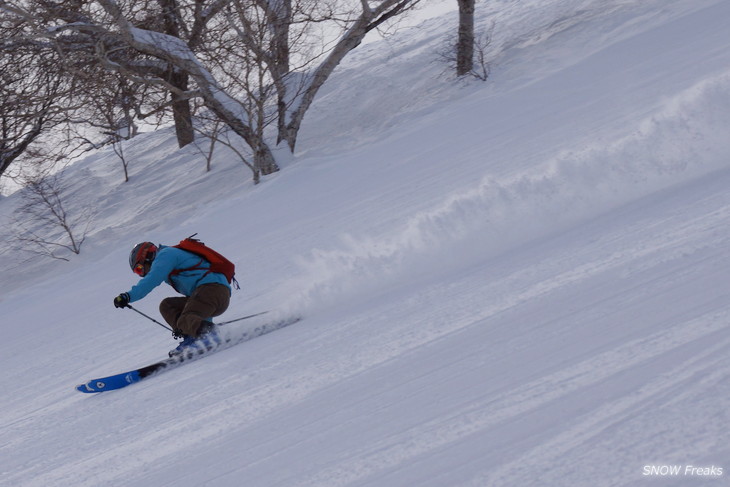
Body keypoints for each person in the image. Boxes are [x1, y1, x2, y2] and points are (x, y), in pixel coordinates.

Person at [114, 241, 231, 356]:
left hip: (214, 290)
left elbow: (151, 280)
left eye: (140, 268)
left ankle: (211, 335)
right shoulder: (169, 263)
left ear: (148, 256)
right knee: (168, 306)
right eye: (138, 272)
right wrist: (200, 325)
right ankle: (193, 337)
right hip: (211, 295)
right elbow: (197, 305)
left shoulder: (166, 255)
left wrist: (127, 296)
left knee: (185, 318)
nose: (142, 273)